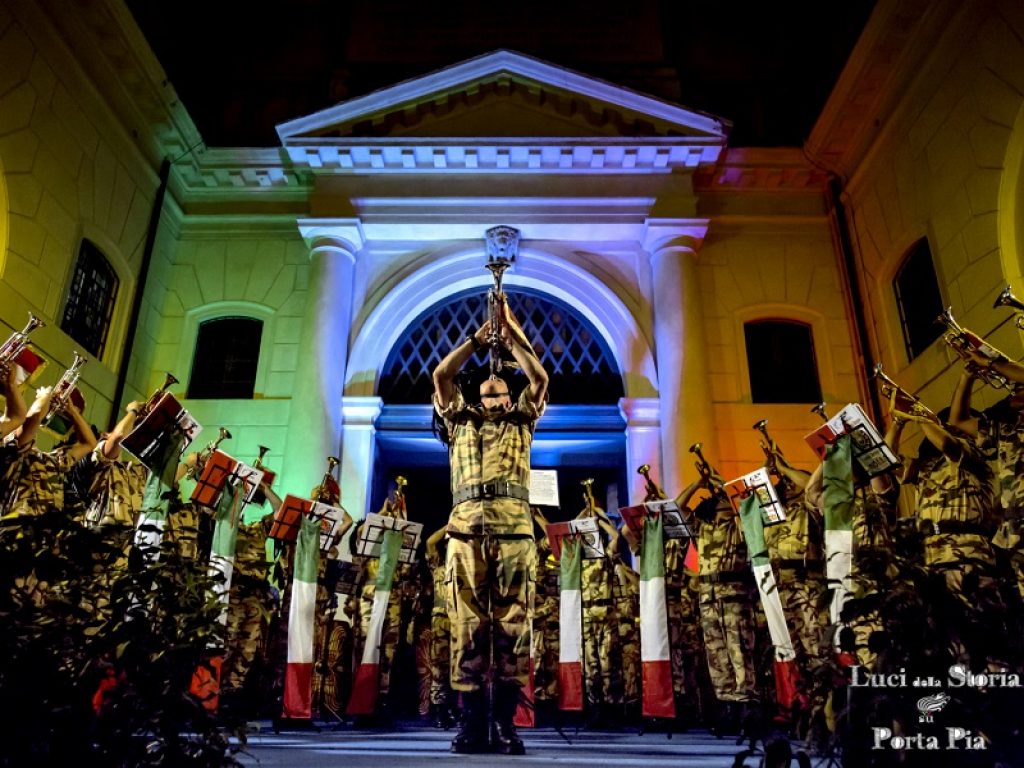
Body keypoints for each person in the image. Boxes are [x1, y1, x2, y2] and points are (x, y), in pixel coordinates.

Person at [432, 296, 548, 755]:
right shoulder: (458, 420)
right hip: (464, 530)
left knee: (513, 626)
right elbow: (442, 375)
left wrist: (511, 333)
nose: (495, 387)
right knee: (466, 626)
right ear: (478, 395)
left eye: (502, 389)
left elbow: (537, 377)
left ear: (508, 397)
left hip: (515, 532)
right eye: (488, 387)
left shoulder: (523, 420)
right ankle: (471, 723)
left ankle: (504, 723)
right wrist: (478, 340)